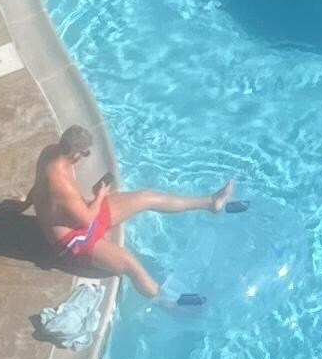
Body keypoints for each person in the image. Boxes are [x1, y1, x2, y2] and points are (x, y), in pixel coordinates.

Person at [30, 126, 237, 302]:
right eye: (85, 153)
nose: (85, 158)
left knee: (145, 197)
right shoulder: (61, 184)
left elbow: (38, 188)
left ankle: (210, 202)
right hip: (73, 240)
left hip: (80, 214)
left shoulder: (50, 152)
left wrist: (23, 205)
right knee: (131, 265)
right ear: (75, 154)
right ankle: (173, 305)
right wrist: (101, 196)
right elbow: (87, 220)